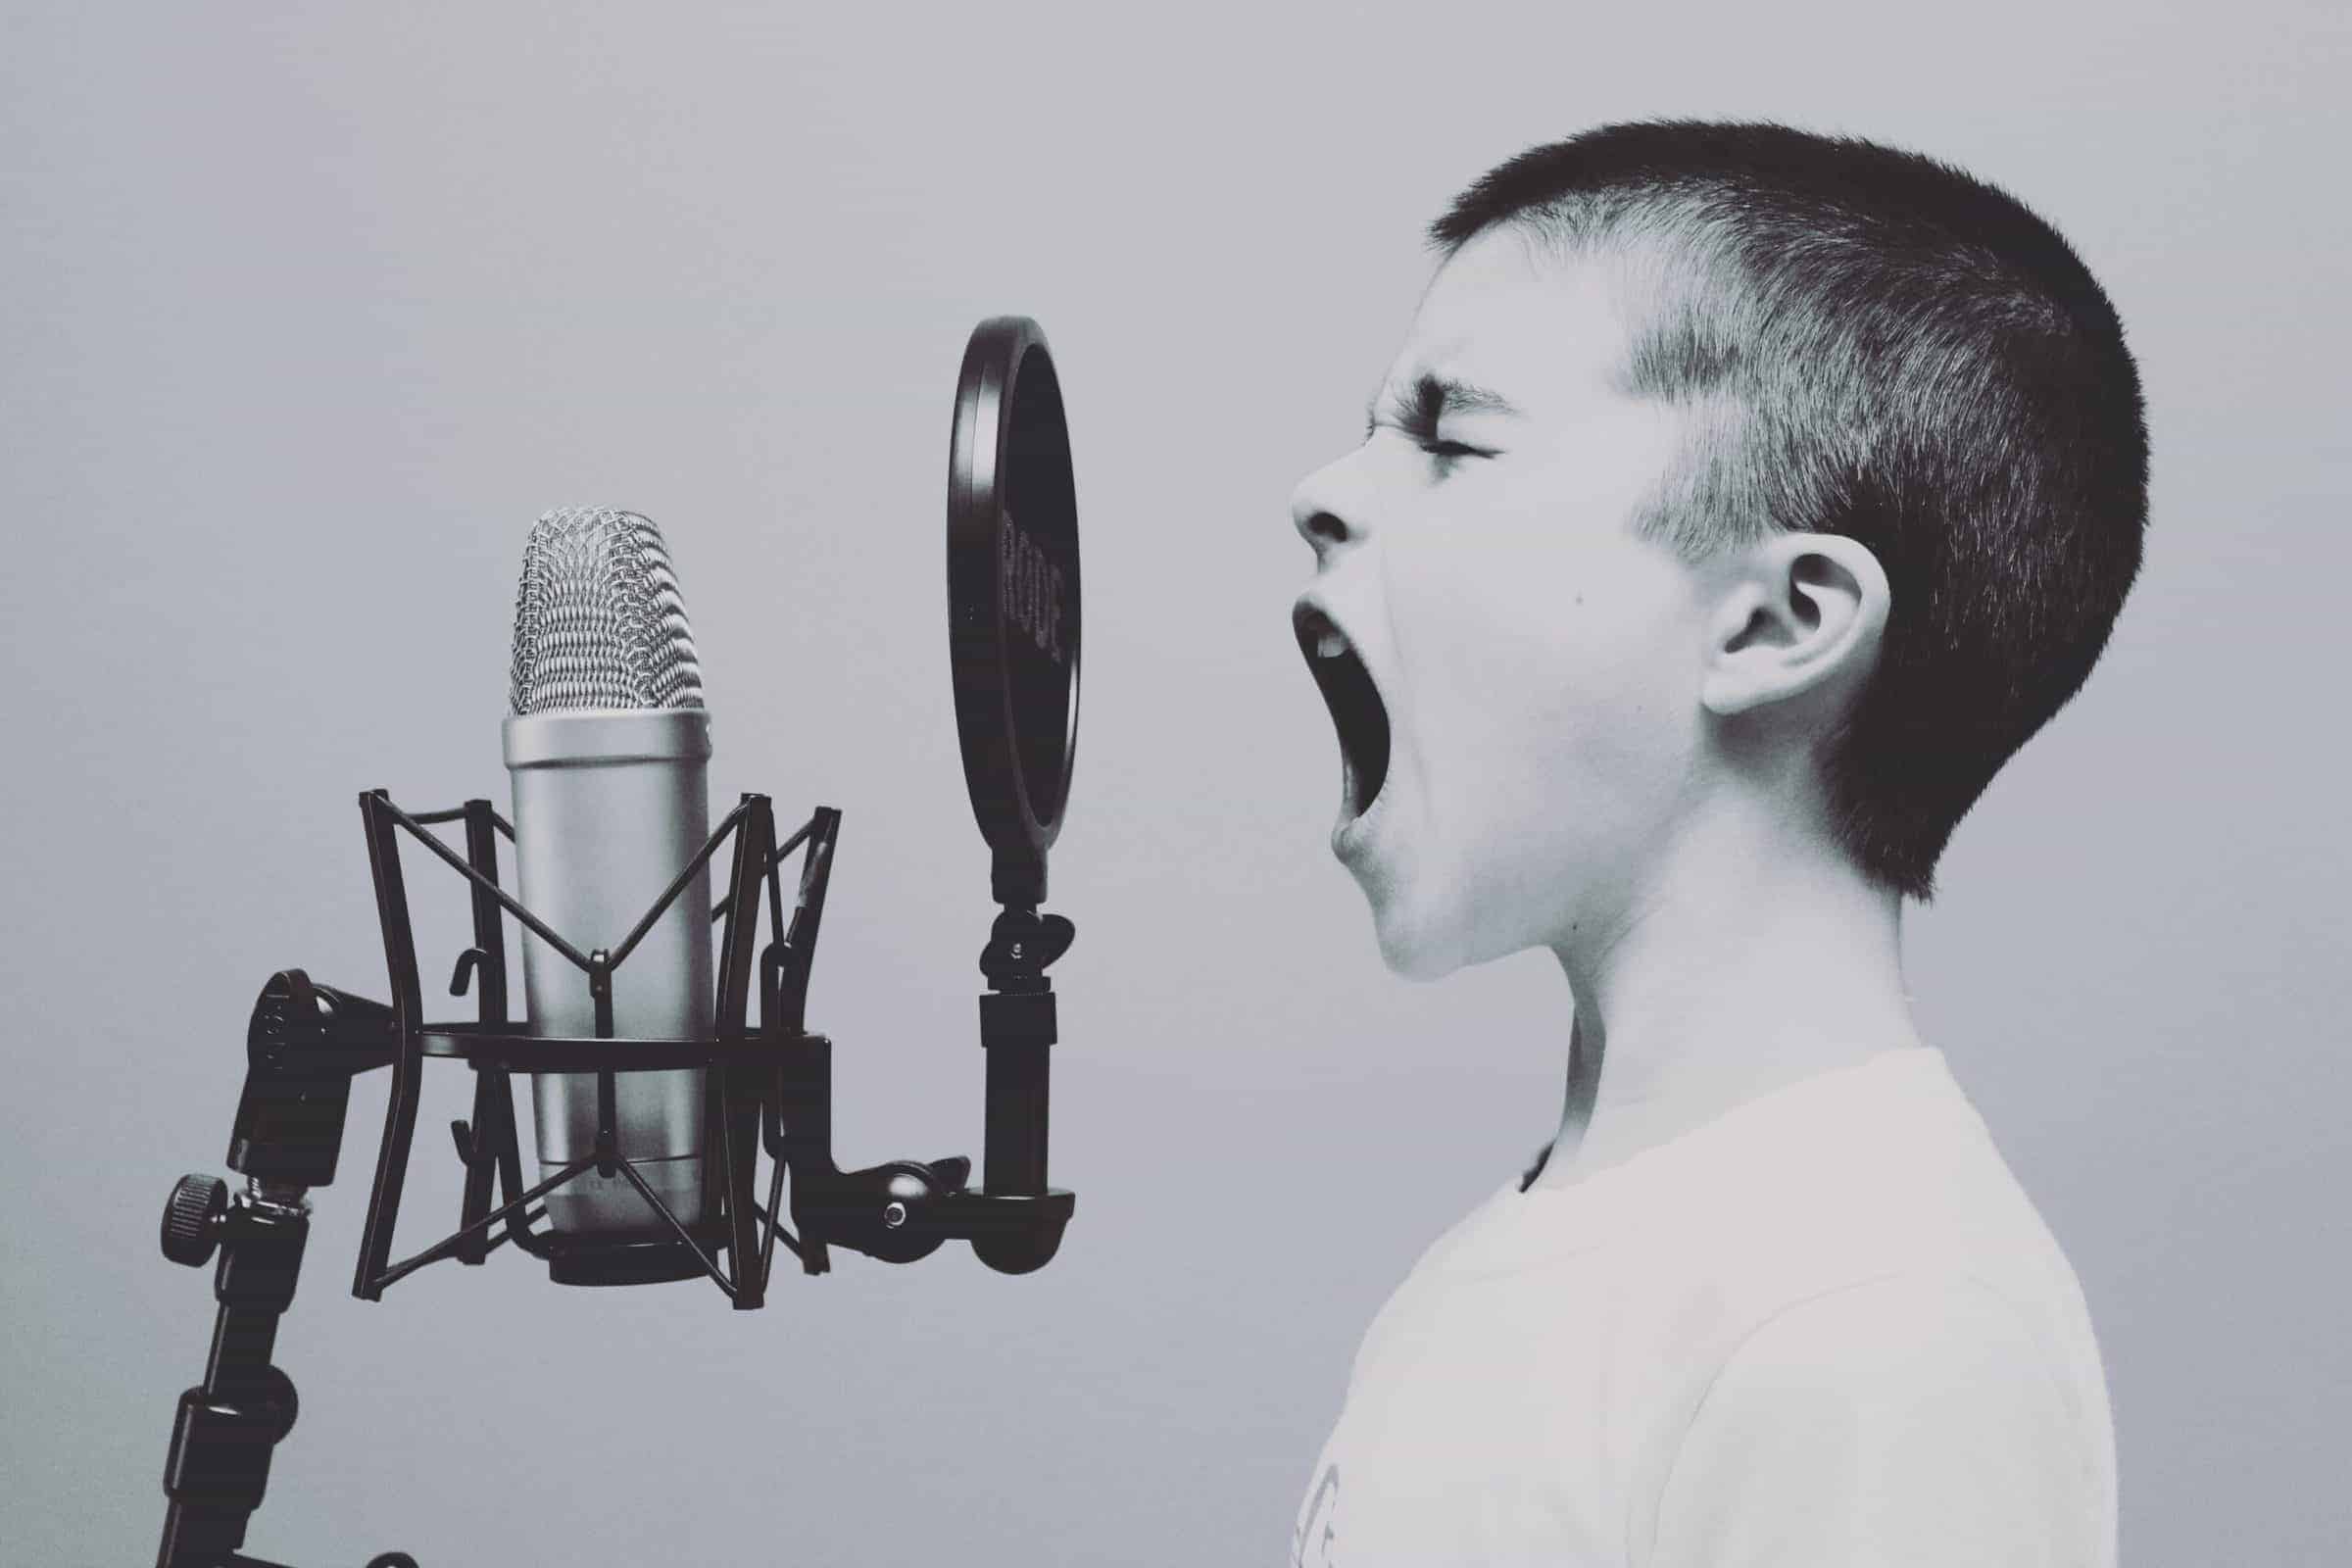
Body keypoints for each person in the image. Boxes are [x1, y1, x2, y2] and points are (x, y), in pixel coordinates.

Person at [1286, 120, 2144, 1567]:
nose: (1325, 493)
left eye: (1451, 436)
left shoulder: (1873, 1323)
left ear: (1776, 621)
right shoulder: (1526, 1259)